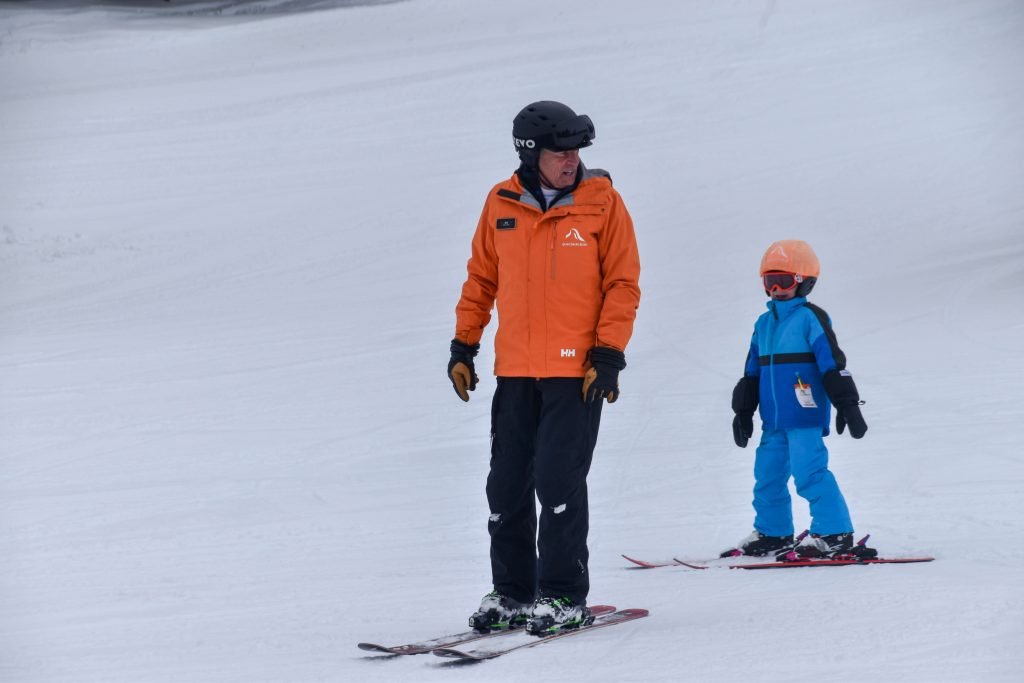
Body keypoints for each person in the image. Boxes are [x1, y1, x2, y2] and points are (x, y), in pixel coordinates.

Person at [448, 101, 641, 636]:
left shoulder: (602, 204)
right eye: (561, 152)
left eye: (577, 151)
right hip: (515, 373)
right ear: (530, 153)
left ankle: (562, 596)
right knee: (505, 486)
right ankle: (512, 592)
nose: (571, 161)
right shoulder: (501, 202)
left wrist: (607, 355)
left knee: (558, 484)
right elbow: (481, 280)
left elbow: (622, 284)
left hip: (573, 376)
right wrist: (464, 346)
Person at [726, 239, 877, 560]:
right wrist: (743, 411)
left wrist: (847, 404)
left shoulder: (811, 318)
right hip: (774, 420)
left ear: (805, 282)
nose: (777, 288)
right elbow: (751, 371)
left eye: (785, 281)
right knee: (766, 476)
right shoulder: (763, 323)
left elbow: (832, 364)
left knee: (810, 473)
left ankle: (835, 533)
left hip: (805, 416)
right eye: (770, 281)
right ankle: (773, 532)